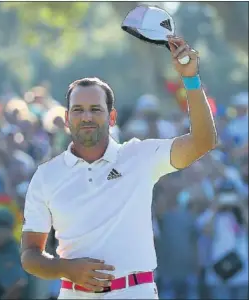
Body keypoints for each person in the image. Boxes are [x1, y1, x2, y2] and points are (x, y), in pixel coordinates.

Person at [21, 36, 217, 299]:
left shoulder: (139, 155)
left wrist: (190, 80)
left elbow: (203, 142)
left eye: (95, 109)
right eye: (78, 110)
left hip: (136, 291)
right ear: (67, 118)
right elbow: (30, 255)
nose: (87, 117)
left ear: (112, 117)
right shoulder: (46, 176)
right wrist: (66, 268)